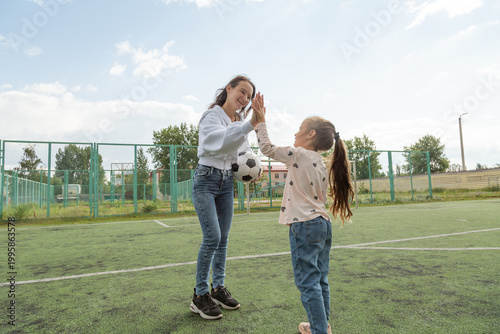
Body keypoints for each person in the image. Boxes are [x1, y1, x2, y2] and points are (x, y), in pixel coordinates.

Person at [251, 93, 353, 334]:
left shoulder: (299, 154)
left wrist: (260, 122)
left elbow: (266, 148)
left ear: (311, 134)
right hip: (322, 225)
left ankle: (319, 330)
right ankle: (321, 326)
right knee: (320, 280)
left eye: (299, 129)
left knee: (308, 282)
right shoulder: (319, 162)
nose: (295, 134)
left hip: (305, 226)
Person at [190, 75, 259, 320]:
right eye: (242, 91)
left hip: (226, 181)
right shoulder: (212, 116)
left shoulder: (238, 120)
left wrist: (255, 169)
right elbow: (217, 143)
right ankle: (199, 296)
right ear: (229, 88)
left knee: (224, 238)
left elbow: (243, 151)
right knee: (213, 237)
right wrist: (251, 124)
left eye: (249, 97)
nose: (244, 98)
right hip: (206, 179)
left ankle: (217, 288)